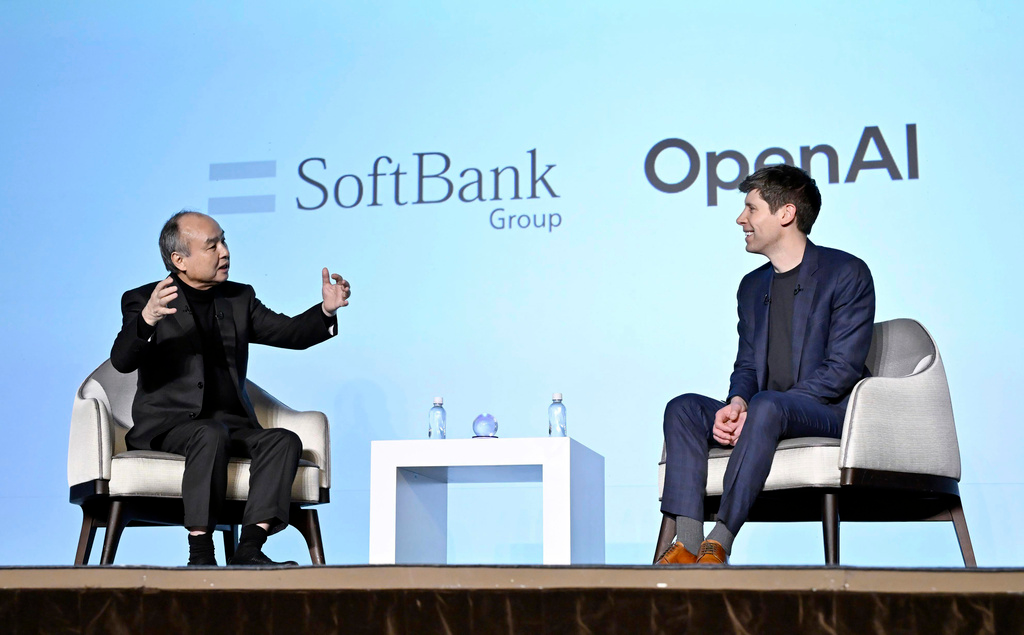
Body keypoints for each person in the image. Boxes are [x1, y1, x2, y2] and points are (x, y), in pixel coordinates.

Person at [655, 164, 875, 565]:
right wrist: (738, 403)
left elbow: (842, 369)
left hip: (827, 411)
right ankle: (688, 543)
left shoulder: (847, 273)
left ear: (786, 214)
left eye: (751, 209)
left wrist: (761, 409)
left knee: (769, 405)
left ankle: (719, 541)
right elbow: (747, 366)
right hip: (765, 409)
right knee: (684, 408)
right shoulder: (752, 286)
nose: (741, 219)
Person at [110, 210, 351, 566]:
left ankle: (250, 548)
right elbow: (122, 360)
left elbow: (288, 333)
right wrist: (147, 319)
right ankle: (201, 553)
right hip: (171, 427)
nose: (224, 251)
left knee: (283, 440)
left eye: (223, 240)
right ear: (180, 260)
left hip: (232, 425)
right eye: (212, 246)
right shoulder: (145, 299)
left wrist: (326, 312)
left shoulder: (238, 298)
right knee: (209, 434)